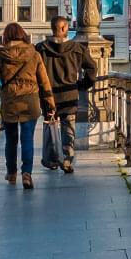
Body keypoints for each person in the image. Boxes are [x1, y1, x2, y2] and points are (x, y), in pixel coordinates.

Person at [0, 23, 56, 189]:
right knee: (27, 138)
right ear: (23, 35)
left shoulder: (0, 54)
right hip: (30, 101)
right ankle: (27, 173)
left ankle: (11, 173)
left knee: (10, 139)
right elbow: (44, 80)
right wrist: (50, 103)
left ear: (6, 37)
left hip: (10, 101)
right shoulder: (34, 53)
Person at [35, 16, 99, 174]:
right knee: (68, 126)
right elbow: (92, 68)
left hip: (48, 95)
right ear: (64, 29)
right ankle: (67, 158)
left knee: (50, 125)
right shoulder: (77, 48)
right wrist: (83, 85)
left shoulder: (40, 48)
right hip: (69, 94)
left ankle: (50, 160)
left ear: (52, 28)